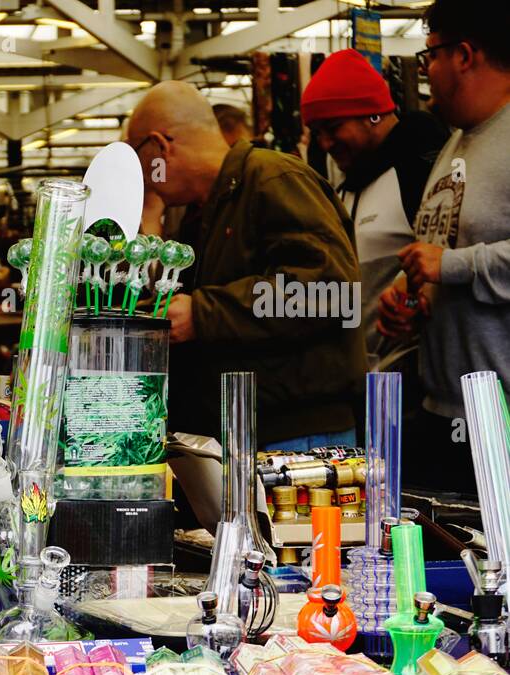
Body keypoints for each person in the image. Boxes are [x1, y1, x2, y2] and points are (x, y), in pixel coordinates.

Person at [127, 81, 364, 450]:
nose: (143, 176)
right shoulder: (204, 211)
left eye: (139, 159)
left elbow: (330, 291)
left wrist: (202, 314)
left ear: (159, 146)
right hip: (242, 431)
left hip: (297, 437)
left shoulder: (274, 179)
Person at [377, 0, 510, 495]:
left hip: (501, 420)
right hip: (442, 410)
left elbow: (450, 260)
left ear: (464, 55)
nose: (426, 71)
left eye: (429, 55)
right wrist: (408, 297)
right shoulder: (455, 143)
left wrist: (451, 267)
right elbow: (439, 245)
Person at [302, 49, 448, 369]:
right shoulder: (350, 182)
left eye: (333, 127)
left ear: (372, 115)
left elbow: (451, 262)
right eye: (317, 133)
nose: (325, 143)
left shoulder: (421, 171)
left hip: (414, 378)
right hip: (364, 376)